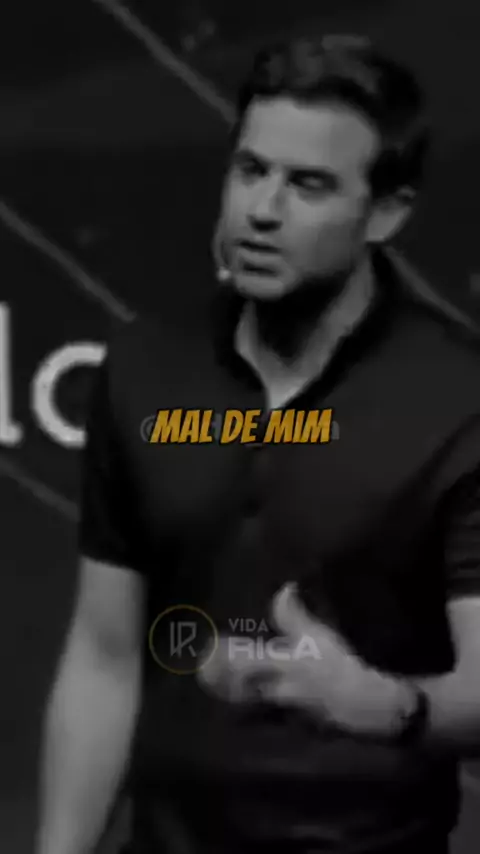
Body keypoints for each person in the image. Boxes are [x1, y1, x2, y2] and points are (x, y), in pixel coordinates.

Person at [35, 33, 480, 854]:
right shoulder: (144, 366)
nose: (262, 211)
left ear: (387, 212)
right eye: (251, 170)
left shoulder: (460, 401)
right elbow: (104, 656)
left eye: (308, 184)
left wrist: (387, 704)